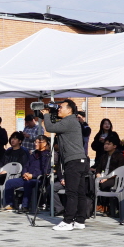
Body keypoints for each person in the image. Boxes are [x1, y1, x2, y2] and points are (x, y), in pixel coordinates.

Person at [39, 99, 91, 231]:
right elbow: (55, 125)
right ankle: (80, 221)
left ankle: (68, 221)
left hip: (73, 161)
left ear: (69, 110)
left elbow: (50, 128)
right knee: (80, 192)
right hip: (80, 160)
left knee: (71, 192)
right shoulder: (71, 121)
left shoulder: (69, 121)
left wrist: (46, 115)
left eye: (61, 107)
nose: (59, 109)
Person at [3, 136, 51, 213]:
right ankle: (10, 204)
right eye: (35, 142)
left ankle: (25, 206)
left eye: (38, 142)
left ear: (45, 144)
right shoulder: (33, 154)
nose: (36, 144)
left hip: (38, 179)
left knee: (28, 183)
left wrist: (33, 175)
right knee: (9, 182)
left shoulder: (48, 156)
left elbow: (46, 170)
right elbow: (26, 166)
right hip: (26, 177)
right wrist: (24, 173)